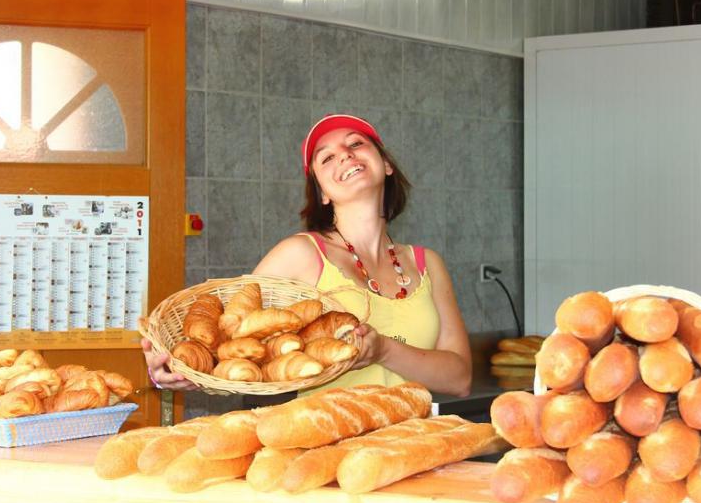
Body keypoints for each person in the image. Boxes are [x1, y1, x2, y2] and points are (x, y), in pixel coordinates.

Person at [144, 114, 472, 397]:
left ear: (385, 164)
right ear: (322, 193)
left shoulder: (426, 263)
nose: (343, 155)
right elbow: (228, 344)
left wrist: (384, 351)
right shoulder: (300, 254)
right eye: (326, 158)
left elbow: (460, 379)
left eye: (356, 144)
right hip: (325, 454)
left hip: (407, 450)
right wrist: (178, 374)